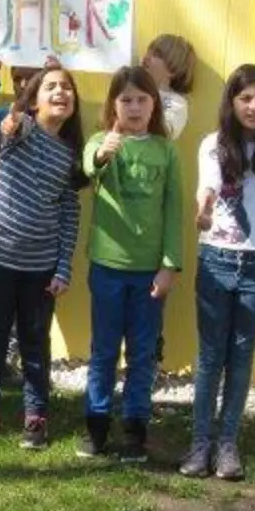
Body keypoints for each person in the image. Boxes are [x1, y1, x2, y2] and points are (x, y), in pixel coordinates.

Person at [0, 62, 86, 450]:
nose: (60, 93)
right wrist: (12, 122)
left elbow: (69, 213)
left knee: (34, 340)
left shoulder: (70, 155)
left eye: (66, 87)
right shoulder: (21, 129)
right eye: (51, 87)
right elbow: (11, 126)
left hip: (39, 266)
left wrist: (62, 267)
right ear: (35, 98)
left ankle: (35, 417)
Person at [179, 64, 255, 480]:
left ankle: (228, 445)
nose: (253, 106)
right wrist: (205, 207)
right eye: (245, 98)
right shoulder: (213, 145)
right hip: (217, 259)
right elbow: (207, 185)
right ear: (231, 101)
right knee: (210, 357)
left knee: (241, 357)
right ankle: (200, 444)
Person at [79, 66, 184, 462]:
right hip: (107, 265)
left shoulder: (166, 150)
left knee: (142, 353)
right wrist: (104, 152)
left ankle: (135, 429)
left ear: (154, 104)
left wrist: (169, 265)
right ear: (113, 105)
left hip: (149, 273)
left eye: (142, 99)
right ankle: (96, 424)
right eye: (126, 100)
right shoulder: (101, 141)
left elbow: (174, 211)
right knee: (104, 349)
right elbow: (91, 165)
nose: (135, 107)